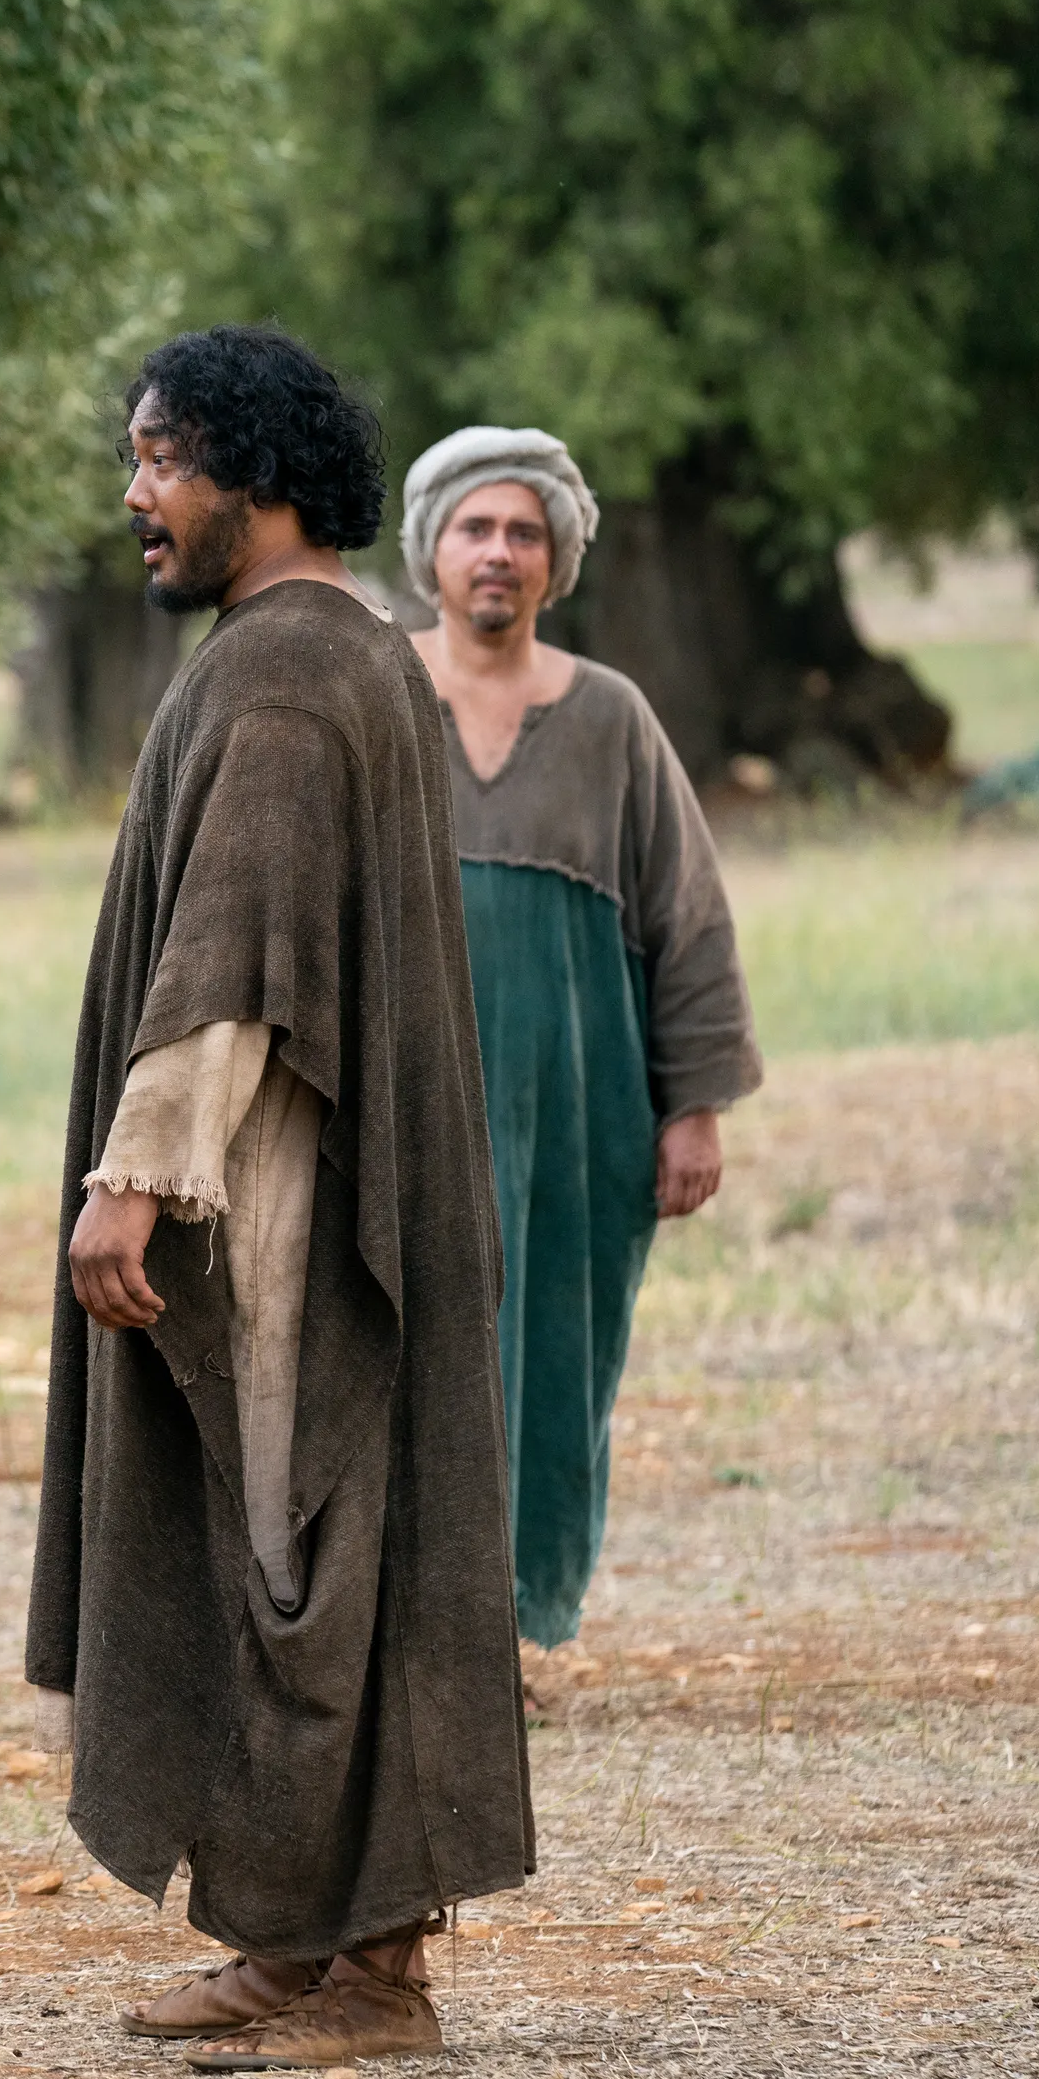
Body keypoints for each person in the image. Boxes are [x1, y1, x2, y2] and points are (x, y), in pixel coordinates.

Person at [34, 324, 530, 2071]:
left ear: (256, 474)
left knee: (304, 1553)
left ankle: (376, 1973)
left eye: (164, 457)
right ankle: (294, 1938)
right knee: (288, 1548)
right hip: (293, 1184)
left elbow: (235, 967)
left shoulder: (293, 673)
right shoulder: (317, 651)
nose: (137, 493)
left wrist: (135, 1177)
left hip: (287, 1201)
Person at [401, 428, 762, 1653]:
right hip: (412, 1098)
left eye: (525, 531)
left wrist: (693, 1105)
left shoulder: (609, 717)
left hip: (577, 1107)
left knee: (557, 1353)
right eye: (476, 528)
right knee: (407, 1348)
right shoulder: (374, 695)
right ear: (431, 549)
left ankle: (521, 1622)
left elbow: (687, 915)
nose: (498, 552)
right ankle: (409, 1631)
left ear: (555, 560)